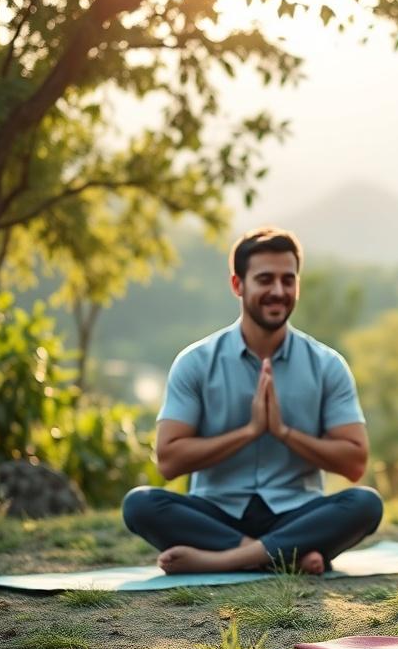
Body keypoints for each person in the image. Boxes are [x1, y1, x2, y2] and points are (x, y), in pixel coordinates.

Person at [122, 227, 382, 575]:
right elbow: (168, 461)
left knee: (365, 504)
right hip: (216, 515)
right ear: (237, 285)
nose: (278, 291)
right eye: (265, 279)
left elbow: (354, 463)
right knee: (139, 504)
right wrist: (251, 431)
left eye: (288, 280)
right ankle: (286, 557)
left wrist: (283, 431)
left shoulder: (327, 365)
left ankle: (227, 560)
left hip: (296, 515)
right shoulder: (196, 362)